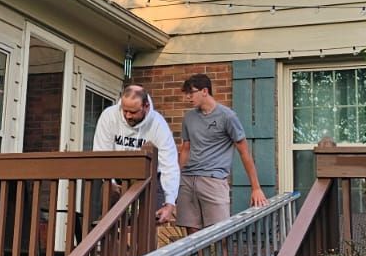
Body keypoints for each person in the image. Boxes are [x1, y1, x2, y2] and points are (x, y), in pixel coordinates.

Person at [177, 73, 268, 233]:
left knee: (220, 234)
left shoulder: (228, 116)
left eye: (191, 93)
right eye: (186, 94)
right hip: (188, 180)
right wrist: (176, 181)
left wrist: (256, 188)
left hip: (214, 181)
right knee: (191, 237)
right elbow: (185, 149)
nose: (188, 97)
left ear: (205, 91)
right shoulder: (189, 117)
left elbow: (244, 152)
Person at [92, 84, 180, 230]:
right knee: (107, 222)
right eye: (124, 110)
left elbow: (169, 165)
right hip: (115, 176)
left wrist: (170, 202)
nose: (127, 116)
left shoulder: (158, 125)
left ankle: (145, 252)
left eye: (132, 112)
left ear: (145, 106)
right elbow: (101, 153)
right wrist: (111, 181)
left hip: (150, 179)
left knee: (149, 224)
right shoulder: (109, 116)